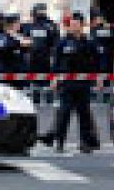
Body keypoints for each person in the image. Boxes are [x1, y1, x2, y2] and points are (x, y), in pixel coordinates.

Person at [42, 12, 99, 153]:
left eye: (76, 24)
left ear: (82, 25)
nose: (73, 27)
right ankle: (60, 142)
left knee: (84, 114)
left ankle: (85, 143)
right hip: (67, 85)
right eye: (71, 25)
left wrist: (97, 79)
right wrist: (54, 78)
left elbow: (96, 63)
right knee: (63, 113)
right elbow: (55, 62)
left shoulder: (89, 42)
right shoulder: (63, 42)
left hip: (83, 85)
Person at [0, 14, 30, 87]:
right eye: (18, 23)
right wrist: (19, 44)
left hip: (17, 78)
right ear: (12, 24)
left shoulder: (18, 37)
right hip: (5, 78)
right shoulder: (2, 38)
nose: (20, 25)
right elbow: (3, 51)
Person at [88, 7, 114, 74]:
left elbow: (113, 40)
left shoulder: (106, 30)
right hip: (95, 66)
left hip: (106, 65)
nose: (100, 20)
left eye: (101, 18)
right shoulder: (91, 32)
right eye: (98, 18)